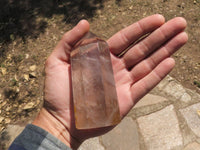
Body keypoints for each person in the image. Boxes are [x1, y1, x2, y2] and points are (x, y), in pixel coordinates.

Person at [9, 14, 188, 150]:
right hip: (87, 118)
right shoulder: (86, 52)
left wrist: (56, 127)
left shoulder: (88, 51)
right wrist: (56, 123)